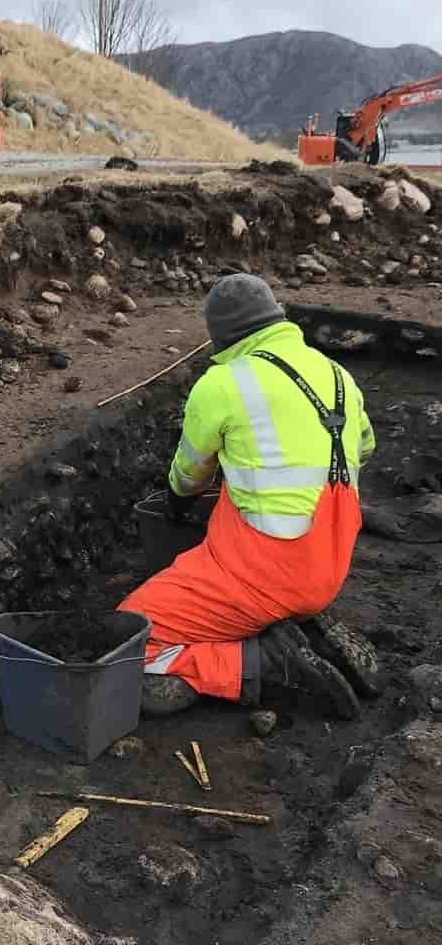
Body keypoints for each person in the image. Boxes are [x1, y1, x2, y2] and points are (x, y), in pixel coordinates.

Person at [119, 274, 380, 719]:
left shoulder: (223, 383)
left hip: (265, 572)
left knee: (126, 645)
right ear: (275, 318)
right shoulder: (338, 375)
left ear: (220, 336)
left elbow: (187, 476)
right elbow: (365, 448)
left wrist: (179, 502)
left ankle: (261, 663)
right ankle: (293, 626)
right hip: (330, 563)